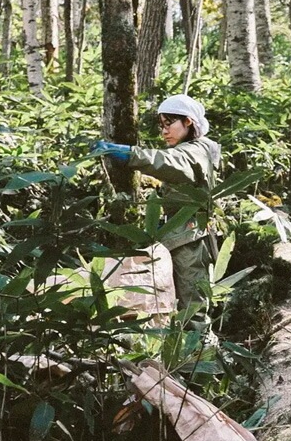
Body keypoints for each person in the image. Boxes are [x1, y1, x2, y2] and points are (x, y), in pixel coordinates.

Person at [93, 94, 221, 314]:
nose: (164, 131)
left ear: (188, 122)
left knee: (192, 305)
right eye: (161, 125)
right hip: (180, 235)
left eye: (169, 123)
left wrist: (128, 153)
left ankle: (201, 346)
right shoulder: (191, 149)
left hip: (191, 238)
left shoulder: (194, 151)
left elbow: (165, 162)